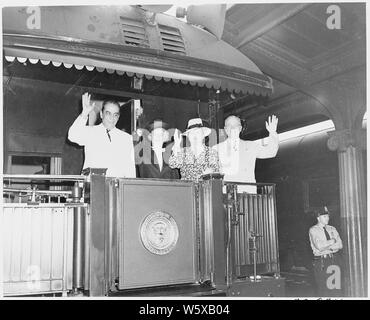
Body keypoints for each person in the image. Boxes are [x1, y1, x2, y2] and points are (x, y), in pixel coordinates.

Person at [68, 93, 135, 177]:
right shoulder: (91, 132)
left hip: (117, 187)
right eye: (108, 113)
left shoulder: (126, 138)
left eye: (115, 115)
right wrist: (84, 114)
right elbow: (72, 135)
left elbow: (130, 169)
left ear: (118, 117)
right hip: (93, 186)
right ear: (101, 114)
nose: (112, 118)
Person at [213, 115, 279, 193]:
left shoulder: (251, 146)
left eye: (235, 126)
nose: (233, 128)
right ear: (225, 129)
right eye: (229, 126)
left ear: (240, 128)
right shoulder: (216, 149)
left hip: (247, 195)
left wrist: (272, 132)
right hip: (226, 195)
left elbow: (271, 152)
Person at [309, 207, 343, 297]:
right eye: (324, 216)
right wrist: (331, 242)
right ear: (318, 218)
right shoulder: (313, 230)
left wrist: (328, 248)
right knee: (324, 290)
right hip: (322, 263)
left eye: (328, 216)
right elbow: (319, 246)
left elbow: (340, 245)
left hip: (334, 260)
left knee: (336, 289)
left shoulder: (332, 229)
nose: (327, 218)